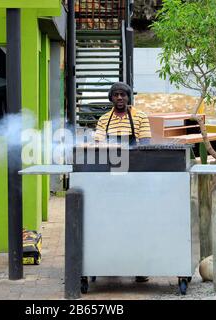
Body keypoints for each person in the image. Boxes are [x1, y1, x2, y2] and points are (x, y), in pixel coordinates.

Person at [94, 82, 152, 283]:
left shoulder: (140, 117)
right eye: (116, 95)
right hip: (111, 178)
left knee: (136, 222)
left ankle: (139, 268)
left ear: (128, 98)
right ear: (111, 98)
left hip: (135, 177)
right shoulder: (103, 119)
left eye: (123, 95)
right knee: (111, 221)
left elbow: (145, 145)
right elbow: (99, 145)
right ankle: (112, 264)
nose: (119, 98)